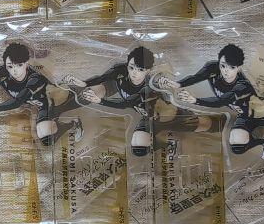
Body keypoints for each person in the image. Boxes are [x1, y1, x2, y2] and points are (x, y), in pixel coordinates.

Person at [63, 45, 212, 156]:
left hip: (168, 115)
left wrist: (100, 101)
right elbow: (101, 78)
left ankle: (172, 139)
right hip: (145, 114)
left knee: (204, 125)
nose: (134, 73)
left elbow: (124, 104)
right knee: (139, 146)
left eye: (140, 70)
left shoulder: (149, 85)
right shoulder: (120, 71)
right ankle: (166, 141)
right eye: (132, 68)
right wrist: (83, 84)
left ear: (148, 70)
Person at [0, 41, 83, 147]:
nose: (14, 71)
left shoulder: (35, 78)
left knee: (86, 96)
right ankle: (70, 123)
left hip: (58, 100)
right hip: (43, 106)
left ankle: (72, 121)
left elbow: (18, 101)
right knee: (47, 140)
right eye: (10, 66)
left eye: (19, 65)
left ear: (26, 64)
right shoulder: (1, 72)